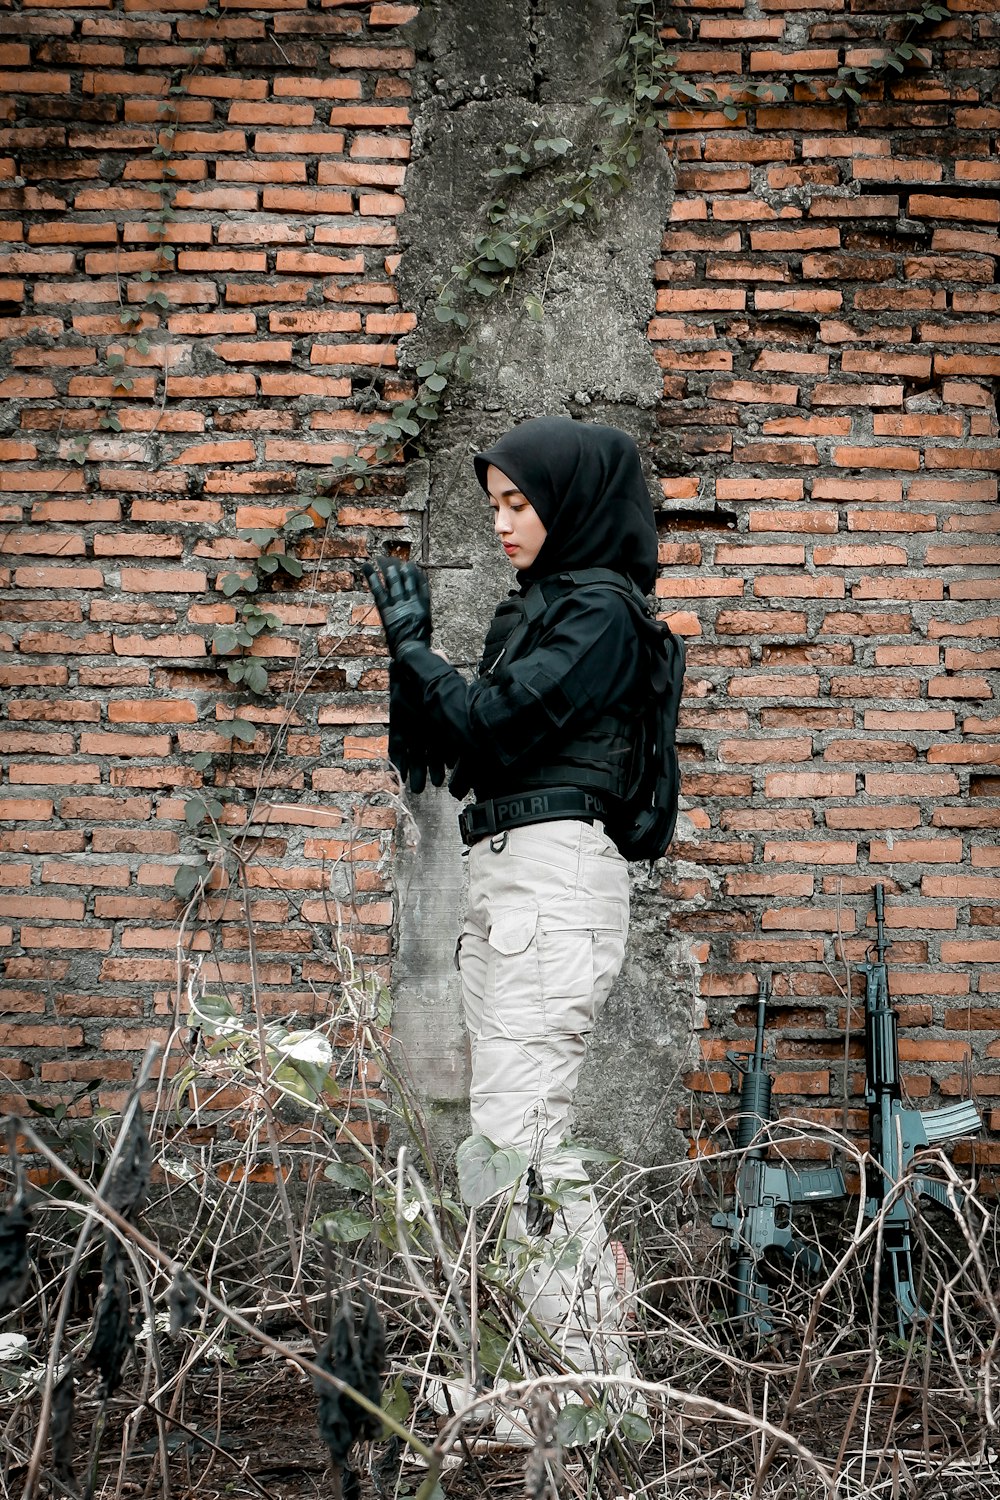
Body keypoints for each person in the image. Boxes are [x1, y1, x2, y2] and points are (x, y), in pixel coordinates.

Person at [363, 415, 658, 1419]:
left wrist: (415, 646)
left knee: (515, 1140)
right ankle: (573, 1375)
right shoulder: (535, 612)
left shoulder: (603, 615)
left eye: (517, 503)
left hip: (553, 876)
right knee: (515, 1145)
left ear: (568, 504)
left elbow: (489, 725)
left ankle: (593, 1397)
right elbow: (438, 758)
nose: (499, 522)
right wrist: (407, 656)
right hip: (507, 880)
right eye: (492, 504)